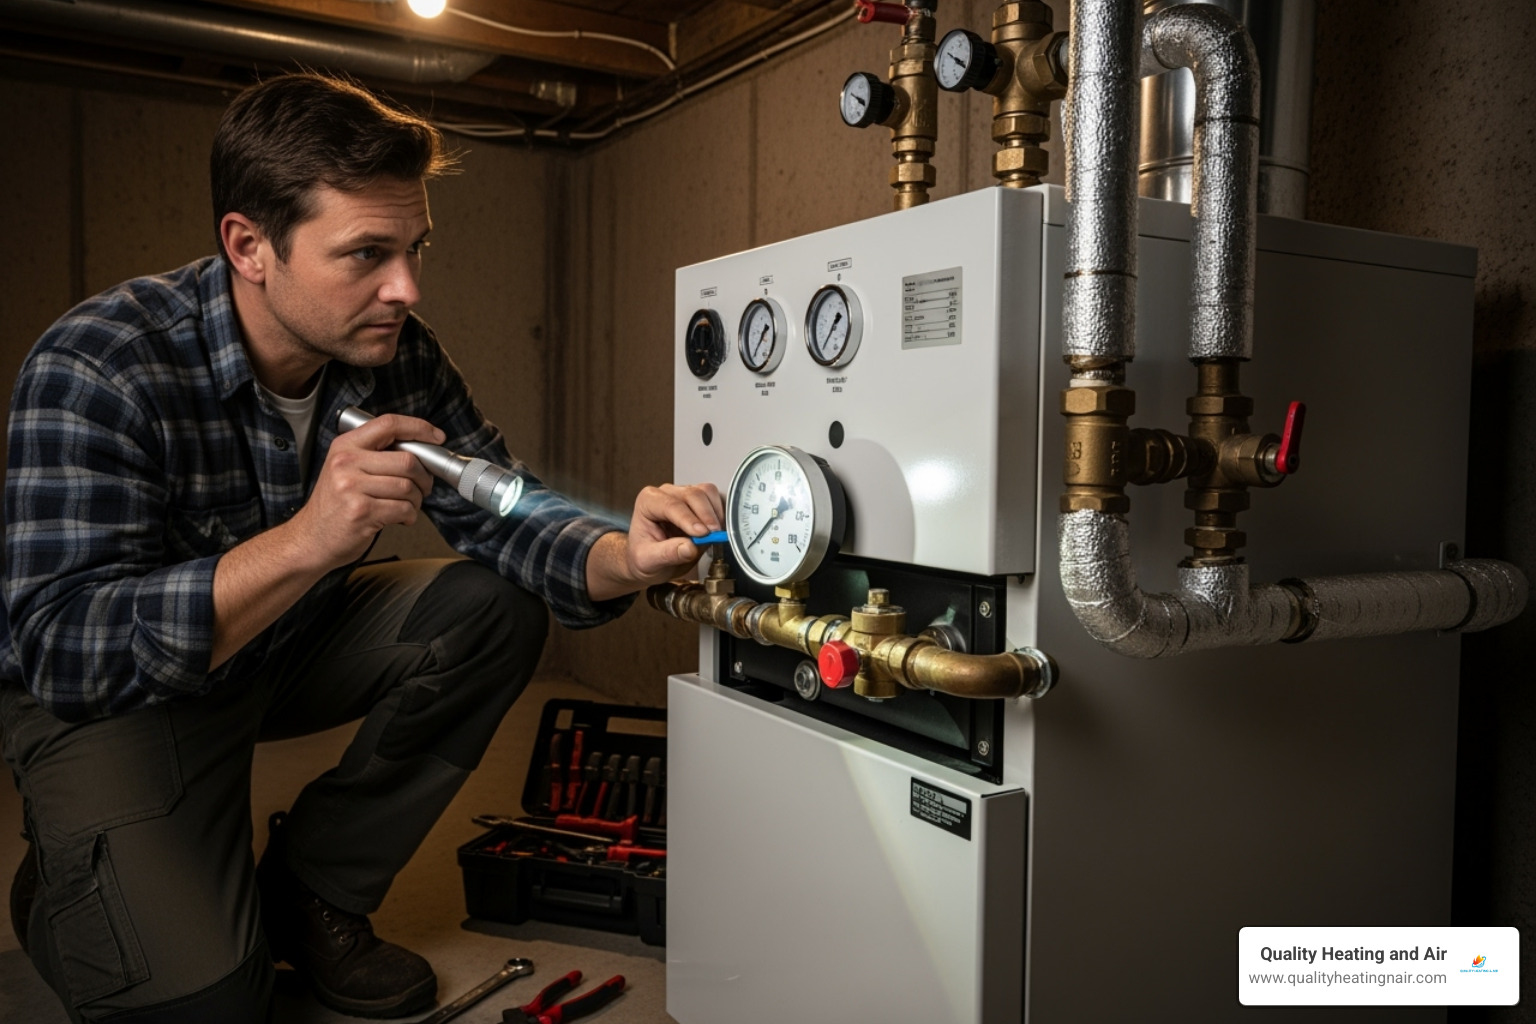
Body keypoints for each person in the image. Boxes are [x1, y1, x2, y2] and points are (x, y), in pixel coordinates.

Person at [0, 72, 721, 1023]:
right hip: (122, 702)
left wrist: (623, 555)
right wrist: (307, 541)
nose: (406, 288)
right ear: (249, 247)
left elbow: (509, 515)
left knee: (489, 608)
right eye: (366, 254)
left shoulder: (395, 351)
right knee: (210, 1002)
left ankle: (313, 891)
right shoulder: (99, 363)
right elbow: (62, 649)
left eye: (414, 247)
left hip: (281, 647)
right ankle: (74, 877)